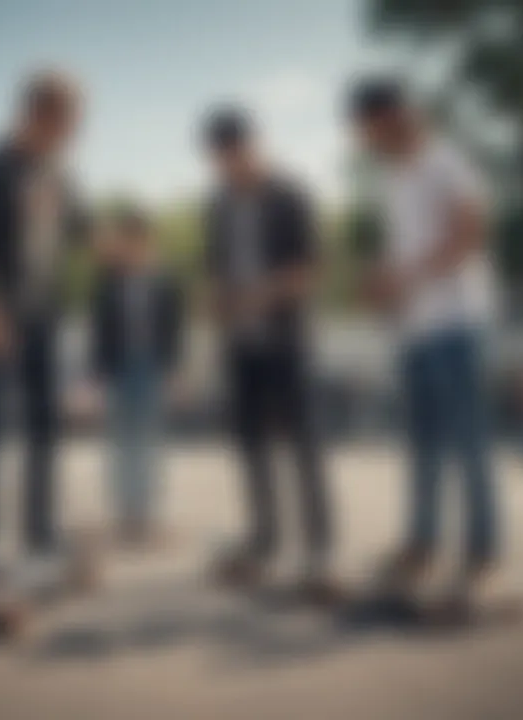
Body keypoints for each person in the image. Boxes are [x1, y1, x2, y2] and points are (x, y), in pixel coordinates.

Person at [348, 78, 499, 599]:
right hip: (416, 330)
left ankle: (483, 552)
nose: (366, 141)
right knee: (423, 447)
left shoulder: (446, 162)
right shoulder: (394, 177)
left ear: (389, 117)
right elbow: (407, 252)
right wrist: (383, 288)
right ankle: (421, 544)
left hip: (456, 324)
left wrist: (403, 279)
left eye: (368, 129)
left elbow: (469, 235)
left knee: (468, 444)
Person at [0, 70, 86, 590]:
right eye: (68, 123)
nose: (73, 134)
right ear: (38, 114)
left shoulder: (59, 173)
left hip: (43, 316)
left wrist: (120, 250)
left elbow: (81, 227)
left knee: (45, 428)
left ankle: (39, 537)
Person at [201, 106, 336, 602]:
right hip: (240, 346)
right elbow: (214, 268)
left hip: (288, 341)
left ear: (254, 145)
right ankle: (265, 540)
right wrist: (216, 300)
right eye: (219, 158)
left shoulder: (291, 194)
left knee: (304, 447)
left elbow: (310, 269)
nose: (228, 166)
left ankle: (320, 549)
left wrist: (253, 297)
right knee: (251, 448)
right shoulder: (216, 204)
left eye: (235, 153)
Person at [87, 208, 183, 546]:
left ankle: (147, 515)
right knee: (120, 443)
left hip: (152, 366)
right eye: (125, 241)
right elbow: (98, 329)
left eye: (138, 241)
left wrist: (174, 372)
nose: (131, 247)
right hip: (119, 368)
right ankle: (126, 514)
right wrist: (95, 376)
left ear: (148, 242)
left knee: (149, 443)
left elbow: (174, 329)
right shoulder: (110, 281)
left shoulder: (165, 280)